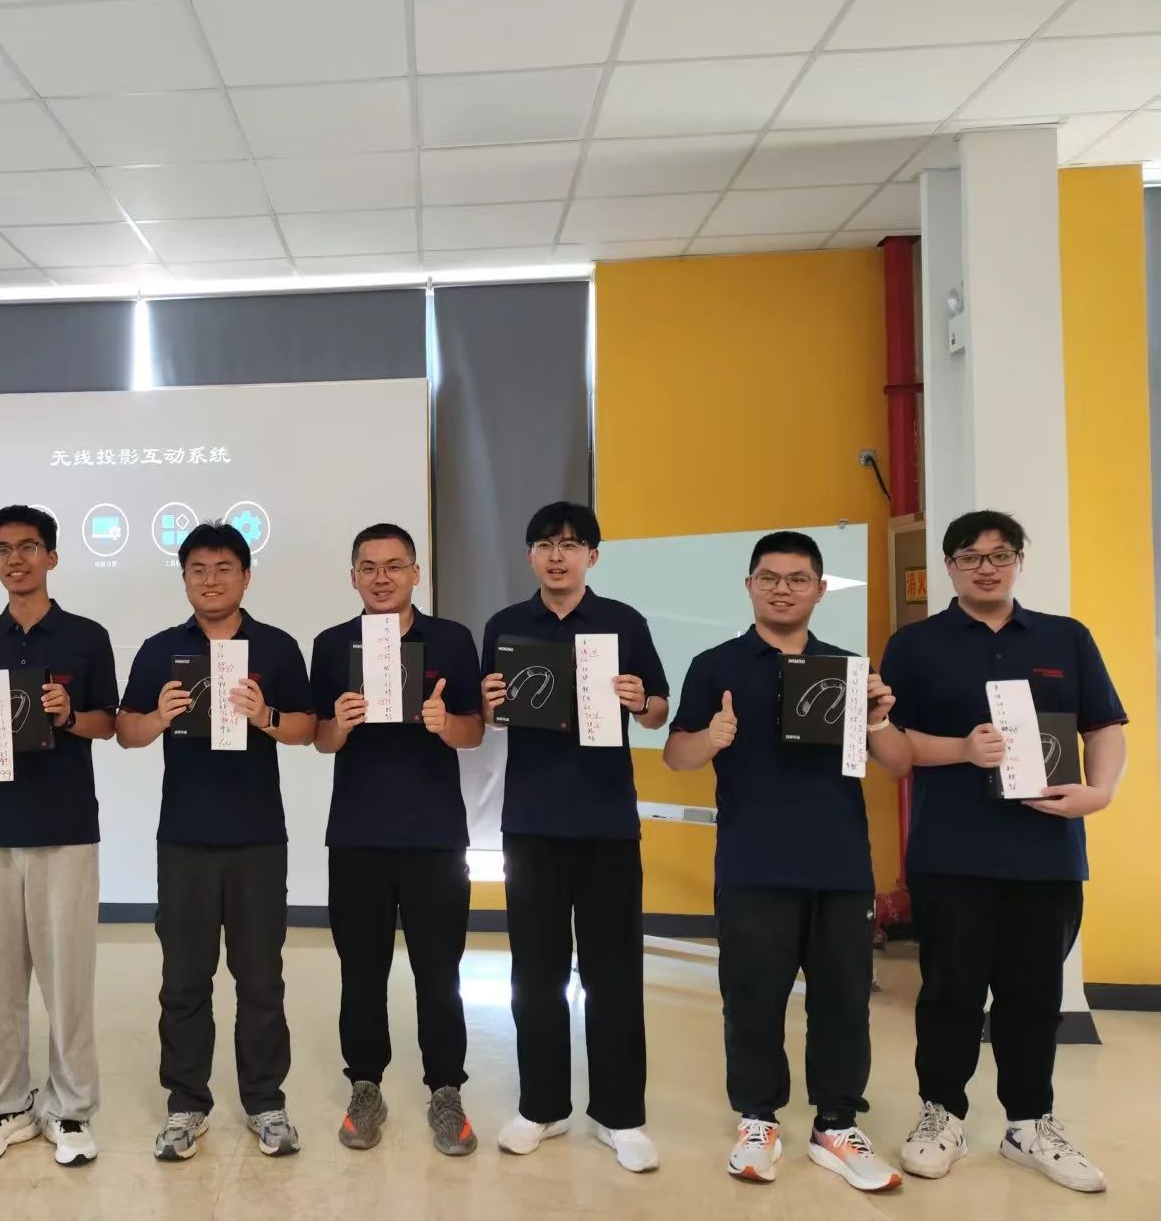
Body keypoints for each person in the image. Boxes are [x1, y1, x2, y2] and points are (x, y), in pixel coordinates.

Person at [882, 510, 1125, 1194]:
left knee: (1034, 994)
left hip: (1046, 852)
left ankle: (1030, 1123)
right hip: (950, 851)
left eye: (999, 555)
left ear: (1019, 560)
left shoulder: (1065, 638)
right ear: (949, 567)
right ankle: (942, 1114)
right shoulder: (915, 645)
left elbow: (1104, 725)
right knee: (949, 992)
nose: (985, 568)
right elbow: (893, 746)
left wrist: (1100, 791)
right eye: (970, 556)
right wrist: (963, 748)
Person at [663, 530, 911, 1191]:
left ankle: (837, 1124)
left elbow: (899, 763)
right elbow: (676, 754)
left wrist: (878, 718)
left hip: (839, 865)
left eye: (798, 578)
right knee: (752, 1000)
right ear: (749, 586)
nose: (782, 589)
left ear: (820, 589)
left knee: (843, 1000)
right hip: (752, 863)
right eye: (769, 577)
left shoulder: (849, 668)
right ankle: (757, 1121)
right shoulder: (715, 665)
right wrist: (710, 738)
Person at [116, 521, 315, 1161]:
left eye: (224, 568)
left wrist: (266, 717)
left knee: (261, 978)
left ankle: (265, 1101)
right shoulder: (160, 650)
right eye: (198, 569)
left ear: (246, 577)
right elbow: (125, 732)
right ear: (184, 579)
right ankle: (186, 1104)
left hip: (259, 839)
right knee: (183, 979)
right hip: (184, 839)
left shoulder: (276, 647)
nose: (211, 580)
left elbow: (308, 728)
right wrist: (159, 716)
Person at [480, 501, 668, 1172]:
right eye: (544, 544)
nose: (556, 556)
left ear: (593, 554)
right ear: (530, 555)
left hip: (607, 822)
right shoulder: (506, 626)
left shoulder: (624, 622)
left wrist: (639, 699)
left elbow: (658, 710)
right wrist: (492, 704)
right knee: (535, 971)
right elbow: (491, 716)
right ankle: (542, 1106)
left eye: (570, 544)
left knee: (614, 972)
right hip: (531, 822)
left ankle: (620, 1114)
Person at [0, 506, 117, 1168]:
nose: (15, 559)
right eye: (2, 549)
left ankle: (70, 1108)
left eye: (27, 546)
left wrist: (69, 715)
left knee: (68, 978)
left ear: (51, 556)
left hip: (66, 826)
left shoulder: (86, 636)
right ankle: (5, 1106)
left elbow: (108, 723)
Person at [310, 523, 485, 1156]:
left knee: (440, 970)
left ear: (416, 573)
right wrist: (340, 724)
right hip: (357, 835)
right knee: (361, 970)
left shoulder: (452, 639)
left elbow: (474, 731)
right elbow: (319, 739)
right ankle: (365, 1086)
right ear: (353, 576)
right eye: (369, 567)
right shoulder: (332, 645)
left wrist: (445, 724)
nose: (381, 577)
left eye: (394, 566)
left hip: (435, 836)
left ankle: (446, 1089)